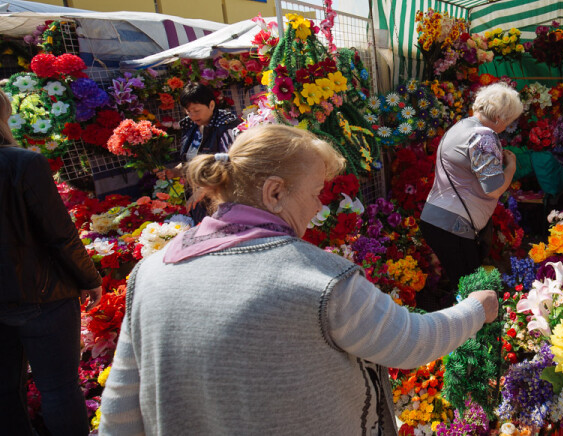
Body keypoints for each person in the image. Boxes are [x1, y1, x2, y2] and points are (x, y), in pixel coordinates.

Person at [98, 124, 498, 436]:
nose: (320, 204)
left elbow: (121, 404)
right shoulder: (318, 280)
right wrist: (477, 308)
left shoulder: (150, 272)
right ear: (275, 193)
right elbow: (412, 342)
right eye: (316, 192)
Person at [0, 89, 103, 436]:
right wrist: (89, 277)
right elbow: (59, 233)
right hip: (43, 296)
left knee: (4, 393)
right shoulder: (22, 163)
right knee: (58, 389)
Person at [419, 82, 523, 309]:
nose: (507, 125)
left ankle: (461, 334)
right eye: (508, 119)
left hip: (437, 218)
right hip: (454, 225)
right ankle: (466, 340)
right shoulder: (484, 136)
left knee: (464, 284)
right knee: (470, 291)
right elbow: (493, 188)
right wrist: (511, 167)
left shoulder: (460, 127)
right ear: (499, 117)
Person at [161, 83, 241, 222]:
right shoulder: (190, 126)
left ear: (211, 105)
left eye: (196, 110)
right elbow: (190, 160)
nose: (192, 116)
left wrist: (204, 188)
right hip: (198, 200)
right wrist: (175, 171)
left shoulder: (226, 125)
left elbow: (230, 162)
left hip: (221, 199)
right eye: (188, 111)